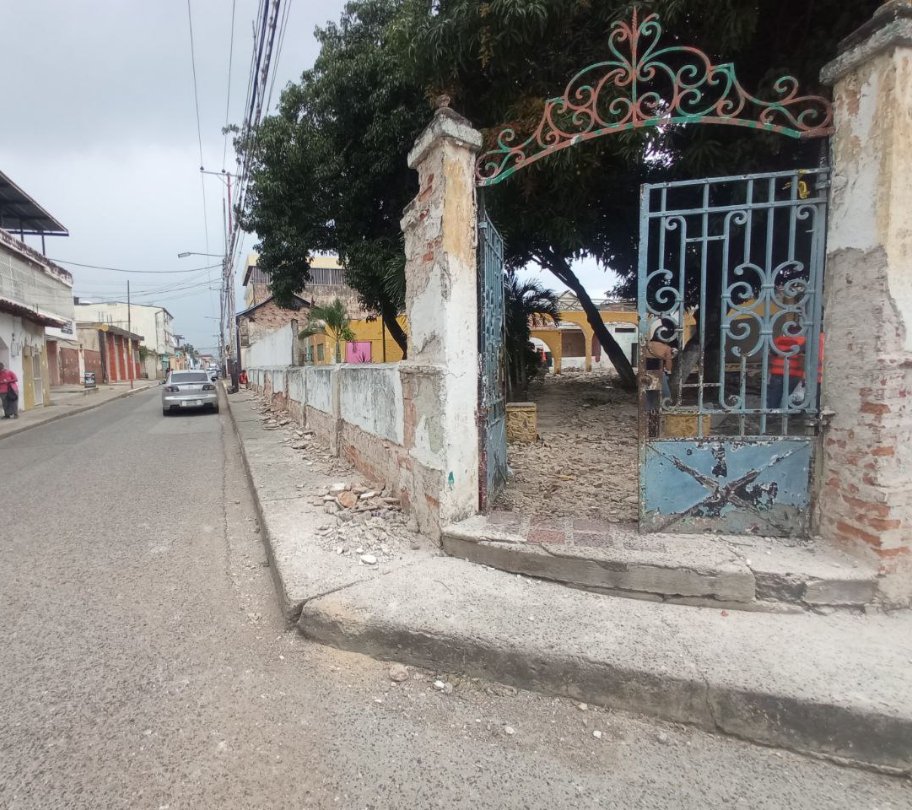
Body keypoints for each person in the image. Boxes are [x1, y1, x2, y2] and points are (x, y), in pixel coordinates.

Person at [767, 333, 824, 410]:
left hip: (776, 372)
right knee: (792, 397)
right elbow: (801, 353)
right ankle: (789, 413)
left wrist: (780, 355)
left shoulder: (778, 339)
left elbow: (771, 353)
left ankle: (771, 413)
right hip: (795, 373)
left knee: (774, 396)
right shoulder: (803, 340)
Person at [644, 318, 676, 402]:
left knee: (649, 395)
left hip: (646, 372)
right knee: (666, 395)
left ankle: (649, 409)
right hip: (659, 371)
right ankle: (665, 408)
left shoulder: (646, 345)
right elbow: (668, 366)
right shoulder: (667, 348)